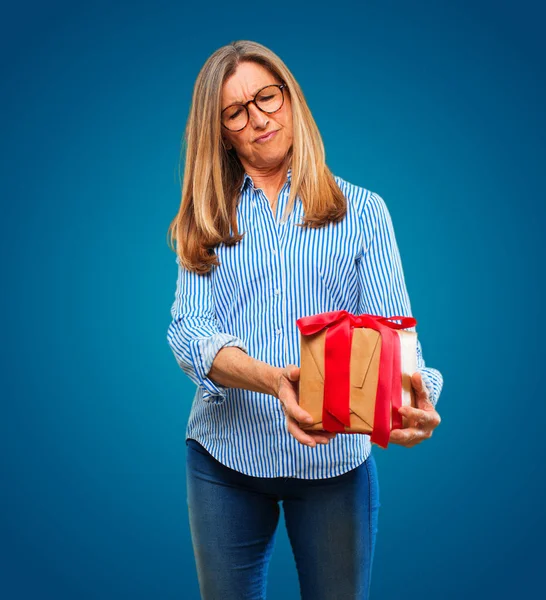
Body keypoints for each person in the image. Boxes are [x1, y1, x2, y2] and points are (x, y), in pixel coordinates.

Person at [166, 40, 443, 600]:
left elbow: (396, 335)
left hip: (335, 466)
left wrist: (416, 397)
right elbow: (188, 333)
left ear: (291, 99)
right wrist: (275, 380)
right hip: (225, 461)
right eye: (236, 111)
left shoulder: (363, 210)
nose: (258, 118)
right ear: (219, 130)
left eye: (267, 97)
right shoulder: (205, 215)